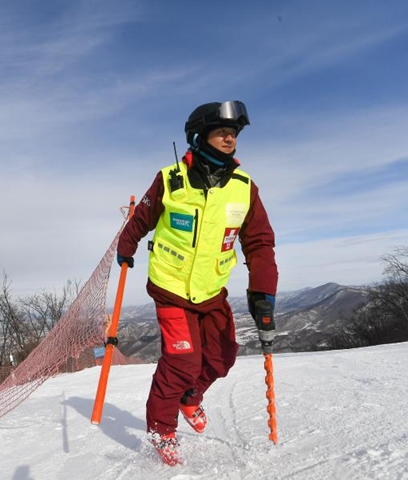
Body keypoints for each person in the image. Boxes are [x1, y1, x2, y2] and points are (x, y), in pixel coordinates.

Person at [116, 100, 278, 466]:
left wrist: (263, 291)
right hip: (171, 287)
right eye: (221, 132)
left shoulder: (244, 188)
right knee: (182, 361)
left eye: (233, 133)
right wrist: (127, 247)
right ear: (198, 136)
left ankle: (190, 398)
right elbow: (142, 218)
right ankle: (161, 429)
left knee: (223, 356)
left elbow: (259, 243)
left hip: (211, 291)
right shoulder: (170, 179)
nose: (229, 139)